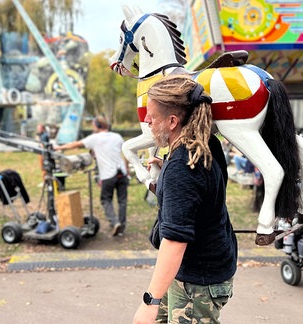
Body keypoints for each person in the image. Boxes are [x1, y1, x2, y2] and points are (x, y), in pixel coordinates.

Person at [133, 75, 237, 324]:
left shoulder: (183, 168)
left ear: (172, 121)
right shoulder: (204, 144)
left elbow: (175, 241)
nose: (146, 120)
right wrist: (166, 167)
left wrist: (151, 302)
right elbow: (201, 194)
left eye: (152, 116)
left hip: (197, 283)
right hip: (199, 270)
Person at [55, 116, 129, 236]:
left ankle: (115, 222)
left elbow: (75, 144)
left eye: (94, 125)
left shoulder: (94, 138)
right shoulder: (117, 136)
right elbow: (126, 152)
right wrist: (127, 168)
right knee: (122, 200)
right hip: (122, 172)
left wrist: (58, 147)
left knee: (105, 199)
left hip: (108, 174)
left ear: (97, 126)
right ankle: (122, 225)